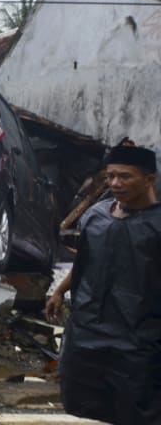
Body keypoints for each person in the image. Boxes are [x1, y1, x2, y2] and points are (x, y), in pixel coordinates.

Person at [45, 144, 161, 424]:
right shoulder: (96, 216)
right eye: (110, 176)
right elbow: (85, 261)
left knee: (135, 411)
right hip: (87, 334)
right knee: (81, 407)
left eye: (125, 177)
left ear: (149, 179)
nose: (115, 184)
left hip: (138, 340)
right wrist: (60, 291)